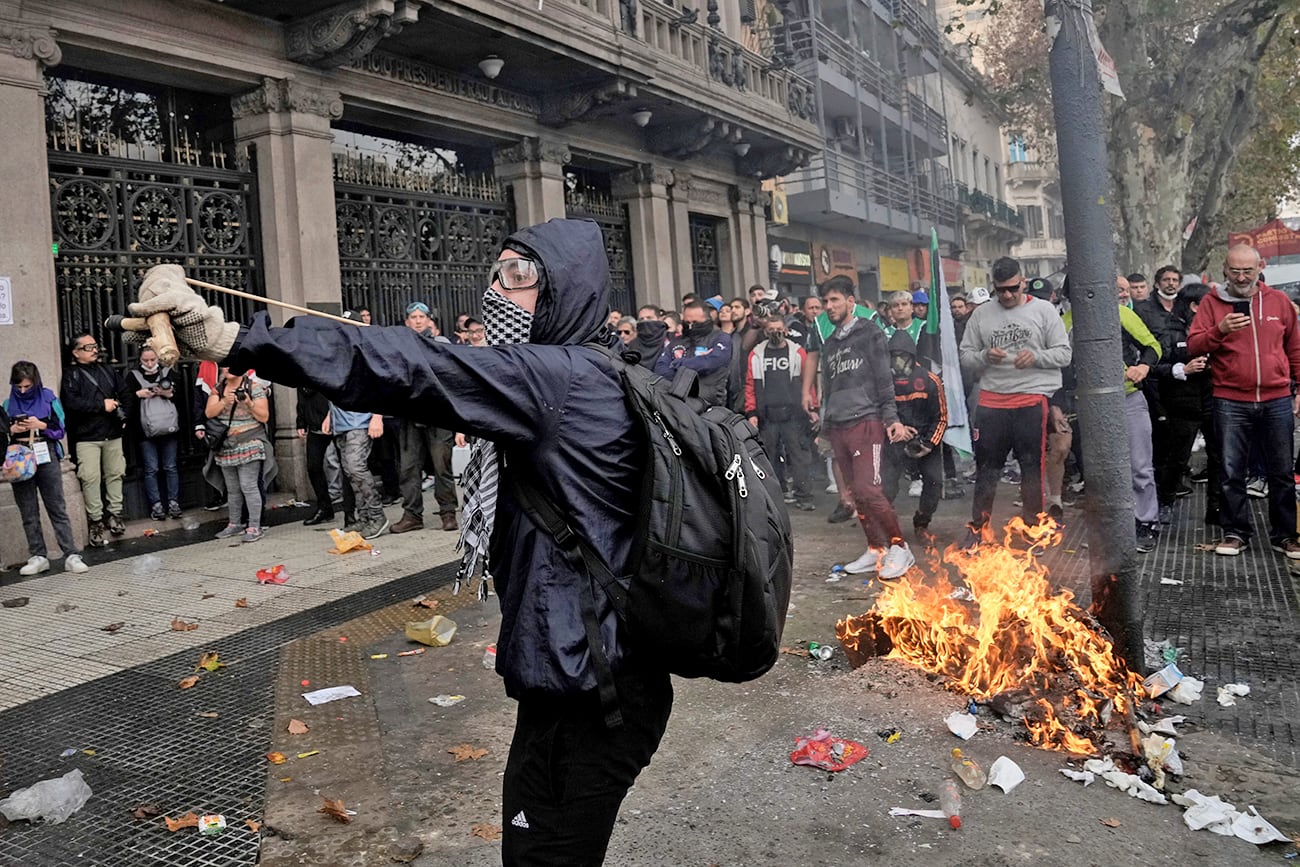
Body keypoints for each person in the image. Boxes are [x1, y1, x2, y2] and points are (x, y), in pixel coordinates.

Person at [128, 219, 673, 865]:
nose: (498, 291)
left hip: (595, 683)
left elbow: (407, 364)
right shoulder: (592, 368)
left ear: (568, 291)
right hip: (591, 667)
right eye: (496, 273)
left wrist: (234, 338)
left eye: (520, 277)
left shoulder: (560, 377)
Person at [1187, 244, 1300, 558]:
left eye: (1247, 270)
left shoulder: (1279, 301)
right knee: (1230, 470)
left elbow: (1295, 349)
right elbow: (1194, 345)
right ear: (1225, 268)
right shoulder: (1211, 303)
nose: (1240, 277)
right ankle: (1235, 533)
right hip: (1230, 399)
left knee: (1281, 472)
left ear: (1260, 266)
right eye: (1234, 270)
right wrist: (1219, 330)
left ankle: (1286, 536)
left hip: (1277, 398)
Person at [958, 257, 1072, 546]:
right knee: (987, 470)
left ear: (1022, 282)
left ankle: (1032, 529)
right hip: (992, 400)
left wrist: (1036, 357)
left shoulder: (1044, 310)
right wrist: (984, 357)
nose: (1006, 295)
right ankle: (978, 530)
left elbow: (1063, 354)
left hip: (1031, 398)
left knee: (1031, 468)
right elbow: (965, 357)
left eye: (1012, 289)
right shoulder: (982, 314)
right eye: (1000, 290)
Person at [816, 279, 915, 579]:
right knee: (854, 494)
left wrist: (892, 419)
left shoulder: (870, 332)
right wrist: (825, 429)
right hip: (839, 424)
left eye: (834, 300)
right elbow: (828, 389)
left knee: (869, 489)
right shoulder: (830, 343)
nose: (829, 307)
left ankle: (900, 547)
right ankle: (876, 550)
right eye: (825, 302)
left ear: (850, 301)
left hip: (867, 421)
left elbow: (885, 380)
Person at [4, 361, 89, 576]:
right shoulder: (7, 404)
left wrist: (40, 425)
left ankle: (70, 553)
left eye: (27, 386)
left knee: (56, 505)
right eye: (19, 387)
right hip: (19, 455)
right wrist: (11, 428)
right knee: (27, 508)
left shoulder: (49, 398)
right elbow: (2, 432)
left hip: (45, 451)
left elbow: (60, 430)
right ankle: (38, 555)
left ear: (35, 383)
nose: (22, 390)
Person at [391, 301, 460, 534]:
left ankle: (448, 512)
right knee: (409, 467)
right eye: (414, 317)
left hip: (438, 412)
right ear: (407, 322)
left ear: (430, 320)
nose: (418, 321)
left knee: (442, 465)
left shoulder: (441, 343)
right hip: (411, 413)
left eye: (422, 316)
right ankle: (412, 514)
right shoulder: (401, 345)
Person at [1154, 284, 1219, 526]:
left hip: (1213, 399)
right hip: (1181, 403)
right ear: (1194, 306)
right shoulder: (1170, 331)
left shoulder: (1216, 329)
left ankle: (1216, 507)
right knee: (1177, 458)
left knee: (1218, 457)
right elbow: (1154, 367)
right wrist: (1182, 369)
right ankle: (1166, 503)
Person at [59, 332, 131, 547]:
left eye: (95, 346)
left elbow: (125, 393)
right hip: (86, 437)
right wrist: (102, 406)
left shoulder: (107, 370)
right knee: (90, 478)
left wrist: (124, 414)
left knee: (116, 473)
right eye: (88, 347)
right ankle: (96, 520)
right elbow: (71, 404)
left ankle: (115, 514)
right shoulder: (71, 375)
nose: (94, 350)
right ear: (75, 352)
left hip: (112, 433)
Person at [743, 315, 815, 511]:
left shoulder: (797, 352)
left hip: (794, 414)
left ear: (786, 330)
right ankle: (776, 495)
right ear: (765, 332)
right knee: (769, 457)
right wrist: (751, 412)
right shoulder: (756, 354)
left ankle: (804, 496)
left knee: (799, 456)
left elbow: (808, 383)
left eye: (779, 329)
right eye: (771, 329)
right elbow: (750, 385)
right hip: (767, 415)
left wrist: (812, 408)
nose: (775, 332)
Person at [880, 331, 947, 535]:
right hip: (895, 439)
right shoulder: (883, 381)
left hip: (926, 441)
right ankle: (884, 525)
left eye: (903, 355)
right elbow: (876, 411)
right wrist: (896, 428)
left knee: (934, 480)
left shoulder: (930, 380)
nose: (898, 361)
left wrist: (928, 444)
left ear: (913, 356)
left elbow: (942, 417)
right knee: (887, 485)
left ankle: (922, 522)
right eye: (894, 356)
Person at [205, 368, 271, 542]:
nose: (227, 369)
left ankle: (254, 526)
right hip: (226, 445)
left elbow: (264, 417)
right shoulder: (218, 389)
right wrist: (224, 401)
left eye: (232, 366)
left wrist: (249, 403)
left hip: (250, 441)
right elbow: (209, 413)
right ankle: (234, 524)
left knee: (248, 486)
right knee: (232, 489)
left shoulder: (253, 387)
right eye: (224, 366)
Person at [322, 399, 389, 539]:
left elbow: (376, 387)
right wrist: (330, 416)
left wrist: (377, 417)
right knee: (351, 472)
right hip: (341, 425)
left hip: (358, 423)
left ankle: (377, 516)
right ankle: (364, 517)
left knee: (356, 468)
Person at [131, 347, 182, 520]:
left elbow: (182, 396)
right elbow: (125, 400)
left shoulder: (168, 373)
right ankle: (156, 506)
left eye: (153, 359)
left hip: (169, 430)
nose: (150, 363)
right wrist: (137, 394)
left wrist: (168, 393)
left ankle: (174, 503)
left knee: (171, 467)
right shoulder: (132, 376)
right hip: (145, 432)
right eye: (146, 360)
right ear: (140, 360)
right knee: (151, 469)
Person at [654, 300, 733, 406]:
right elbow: (660, 368)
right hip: (678, 402)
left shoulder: (721, 338)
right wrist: (696, 364)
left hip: (710, 405)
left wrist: (679, 364)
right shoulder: (676, 342)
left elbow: (711, 362)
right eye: (687, 323)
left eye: (695, 322)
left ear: (706, 319)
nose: (690, 326)